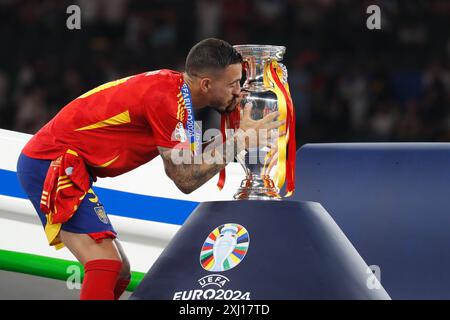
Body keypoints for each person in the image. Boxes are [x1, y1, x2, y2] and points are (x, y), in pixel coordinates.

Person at [16, 38, 284, 300]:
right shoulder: (167, 100)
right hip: (53, 162)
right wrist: (238, 140)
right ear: (206, 84)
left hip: (65, 164)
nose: (239, 91)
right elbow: (184, 179)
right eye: (234, 84)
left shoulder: (177, 95)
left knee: (119, 272)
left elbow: (190, 162)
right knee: (105, 264)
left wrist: (233, 136)